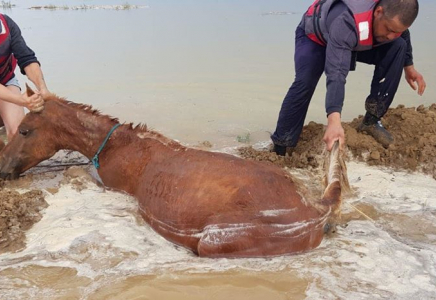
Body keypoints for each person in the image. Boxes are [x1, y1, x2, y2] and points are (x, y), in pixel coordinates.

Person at [271, 0, 426, 155]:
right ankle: (281, 145)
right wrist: (334, 120)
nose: (391, 35)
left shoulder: (391, 19)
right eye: (389, 29)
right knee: (304, 83)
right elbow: (336, 73)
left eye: (396, 31)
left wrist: (409, 67)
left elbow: (402, 34)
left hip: (353, 39)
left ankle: (371, 120)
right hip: (316, 38)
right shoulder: (345, 21)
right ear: (378, 12)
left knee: (398, 45)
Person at [0, 13, 48, 142]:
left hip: (5, 80)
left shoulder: (7, 24)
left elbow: (27, 59)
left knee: (18, 135)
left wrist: (43, 89)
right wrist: (20, 100)